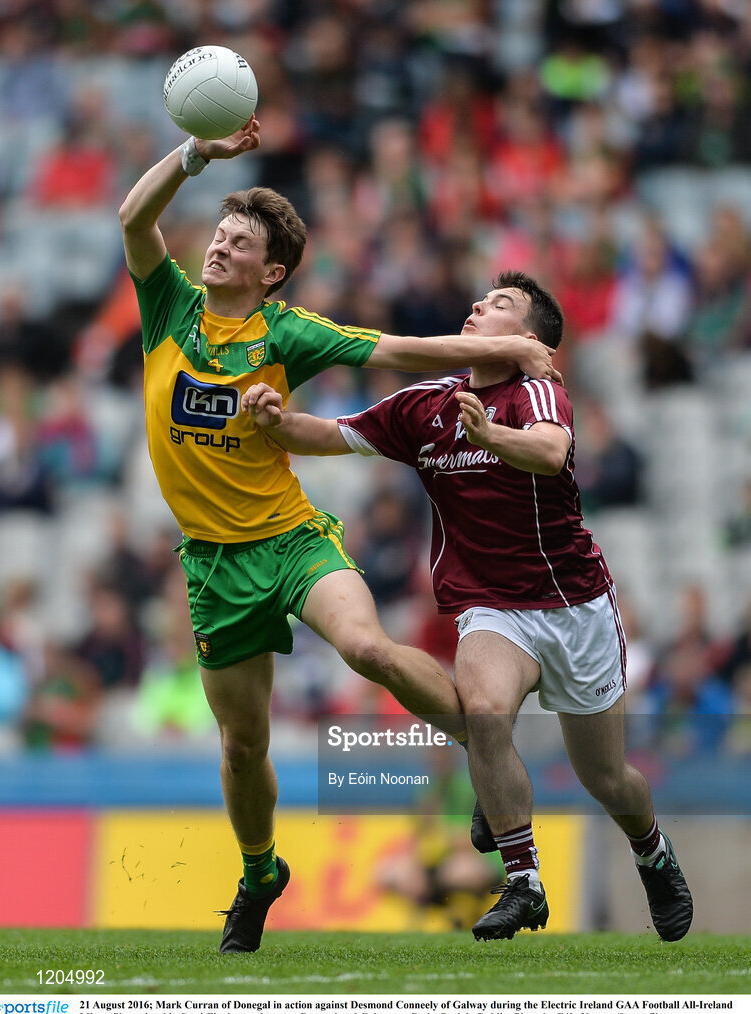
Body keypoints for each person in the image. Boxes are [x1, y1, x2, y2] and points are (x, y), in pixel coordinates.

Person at [118, 121, 562, 954]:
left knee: (368, 648)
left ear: (271, 271)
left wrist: (505, 345)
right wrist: (194, 156)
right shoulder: (169, 307)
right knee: (243, 745)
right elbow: (134, 221)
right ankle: (260, 875)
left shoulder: (286, 333)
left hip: (291, 541)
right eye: (217, 235)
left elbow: (399, 348)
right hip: (214, 567)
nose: (216, 249)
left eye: (237, 243)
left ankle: (481, 748)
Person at [242, 269, 694, 943]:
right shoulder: (424, 405)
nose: (478, 305)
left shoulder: (536, 390)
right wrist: (275, 419)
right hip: (490, 607)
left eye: (500, 304)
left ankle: (653, 854)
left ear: (530, 338)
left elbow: (550, 452)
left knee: (606, 777)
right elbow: (328, 435)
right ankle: (524, 883)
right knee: (483, 714)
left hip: (574, 605)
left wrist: (491, 440)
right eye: (479, 298)